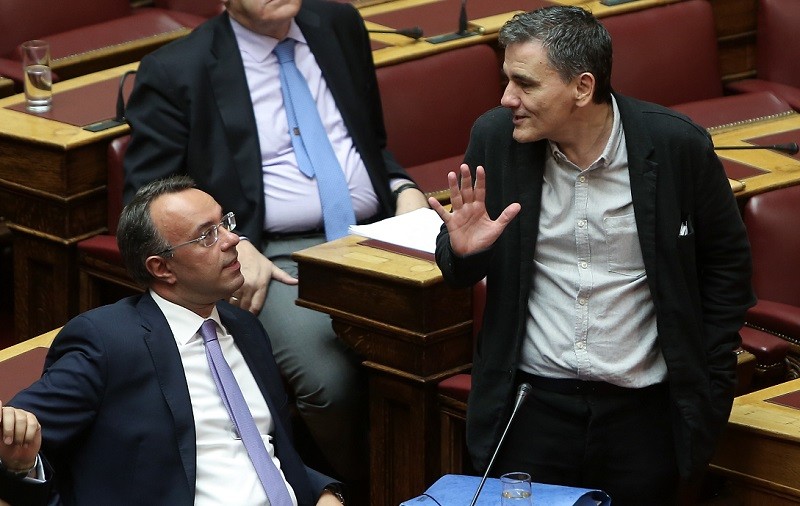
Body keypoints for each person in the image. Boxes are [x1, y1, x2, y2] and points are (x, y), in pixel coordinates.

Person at [429, 6, 755, 505]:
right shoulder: (496, 138)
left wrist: (710, 387)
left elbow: (727, 267)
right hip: (531, 408)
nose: (507, 98)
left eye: (525, 84)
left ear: (582, 88)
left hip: (643, 416)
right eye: (506, 80)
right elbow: (459, 267)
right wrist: (463, 252)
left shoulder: (676, 146)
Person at [122, 0, 428, 483]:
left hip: (380, 229)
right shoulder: (177, 70)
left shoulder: (338, 24)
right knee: (330, 382)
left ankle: (439, 474)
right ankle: (368, 487)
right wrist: (228, 239)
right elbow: (147, 201)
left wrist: (402, 187)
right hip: (275, 252)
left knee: (460, 335)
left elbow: (365, 140)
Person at [0, 176, 345, 506]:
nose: (232, 240)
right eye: (207, 236)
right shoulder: (107, 340)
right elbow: (18, 435)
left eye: (225, 223)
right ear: (161, 268)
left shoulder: (245, 328)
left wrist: (324, 491)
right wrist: (19, 463)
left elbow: (263, 445)